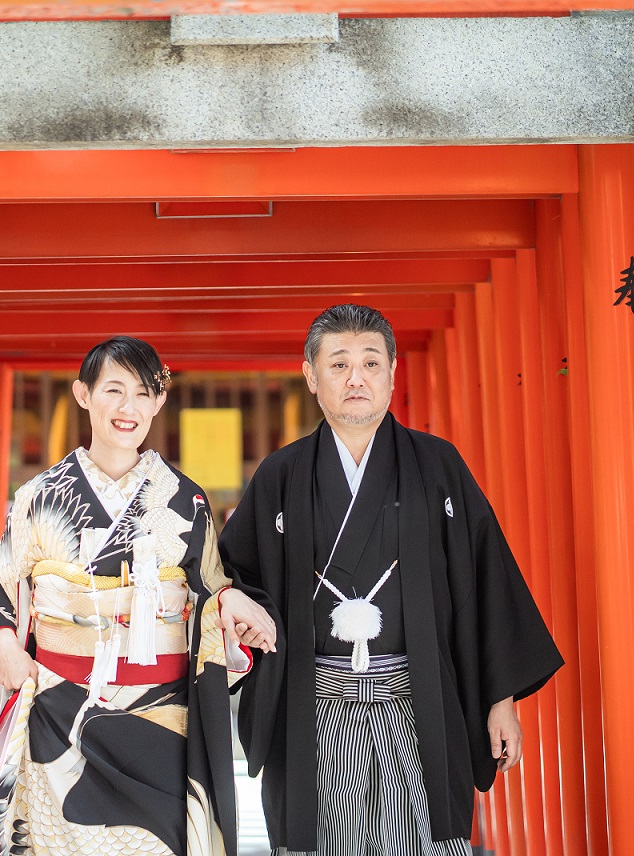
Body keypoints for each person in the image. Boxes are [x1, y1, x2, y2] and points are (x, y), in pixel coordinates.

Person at [219, 305, 563, 855]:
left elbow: (486, 582)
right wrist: (234, 602)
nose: (356, 378)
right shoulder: (280, 476)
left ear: (392, 372)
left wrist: (500, 700)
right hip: (314, 704)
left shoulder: (438, 465)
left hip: (417, 698)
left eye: (370, 362)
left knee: (423, 840)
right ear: (311, 376)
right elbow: (232, 577)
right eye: (339, 364)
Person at [0, 336, 276, 856]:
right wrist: (10, 650)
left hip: (159, 719)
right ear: (83, 394)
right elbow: (2, 589)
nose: (128, 407)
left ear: (159, 402)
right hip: (61, 710)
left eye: (143, 393)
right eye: (114, 390)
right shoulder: (39, 496)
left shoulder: (184, 497)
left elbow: (206, 587)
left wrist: (230, 601)